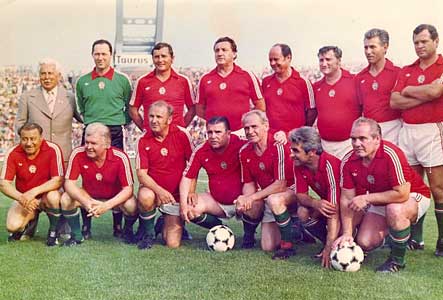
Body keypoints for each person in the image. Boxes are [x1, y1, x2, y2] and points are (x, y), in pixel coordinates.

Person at [334, 117, 431, 272]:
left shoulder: (391, 154)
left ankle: (397, 261)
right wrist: (346, 233)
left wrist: (366, 198)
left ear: (377, 139)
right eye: (353, 139)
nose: (356, 144)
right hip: (381, 199)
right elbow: (346, 198)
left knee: (395, 209)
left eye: (362, 139)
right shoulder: (348, 161)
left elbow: (402, 194)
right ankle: (398, 232)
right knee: (365, 242)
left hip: (414, 195)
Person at [390, 24, 443, 255]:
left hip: (432, 131)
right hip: (407, 130)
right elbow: (394, 102)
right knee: (412, 187)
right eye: (416, 42)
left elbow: (435, 93)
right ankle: (417, 239)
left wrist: (410, 90)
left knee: (438, 188)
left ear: (436, 41)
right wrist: (425, 92)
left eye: (424, 41)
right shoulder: (407, 69)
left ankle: (442, 240)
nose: (419, 46)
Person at [15, 58, 82, 237]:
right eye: (43, 73)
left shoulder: (70, 97)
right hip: (36, 156)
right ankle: (28, 227)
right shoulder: (27, 97)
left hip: (63, 155)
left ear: (59, 76)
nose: (46, 77)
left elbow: (84, 119)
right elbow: (19, 125)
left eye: (50, 73)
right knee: (34, 191)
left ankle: (63, 229)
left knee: (61, 194)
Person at [75, 39, 132, 237]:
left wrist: (115, 122)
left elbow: (128, 108)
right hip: (91, 131)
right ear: (92, 55)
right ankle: (86, 225)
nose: (100, 57)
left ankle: (117, 225)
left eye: (104, 54)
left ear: (111, 55)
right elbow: (82, 108)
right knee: (88, 176)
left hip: (114, 131)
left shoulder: (122, 80)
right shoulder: (82, 81)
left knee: (116, 178)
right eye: (96, 54)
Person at [61, 123, 137, 246]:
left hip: (113, 198)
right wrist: (86, 202)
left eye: (93, 143)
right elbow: (69, 183)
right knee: (66, 198)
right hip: (89, 196)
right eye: (87, 142)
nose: (88, 147)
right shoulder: (78, 153)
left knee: (131, 204)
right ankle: (77, 234)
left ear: (107, 144)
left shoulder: (120, 157)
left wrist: (106, 206)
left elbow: (128, 189)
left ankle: (126, 231)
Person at [235, 110, 295, 257]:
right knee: (267, 246)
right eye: (246, 128)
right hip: (269, 195)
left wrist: (252, 197)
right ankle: (248, 236)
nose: (250, 131)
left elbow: (281, 184)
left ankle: (288, 246)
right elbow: (249, 183)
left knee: (273, 199)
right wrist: (245, 201)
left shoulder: (278, 146)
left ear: (266, 126)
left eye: (254, 127)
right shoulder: (244, 151)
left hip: (290, 191)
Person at [135, 101, 193, 249]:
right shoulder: (143, 140)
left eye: (159, 117)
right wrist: (159, 191)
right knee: (145, 196)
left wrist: (189, 192)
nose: (154, 120)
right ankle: (148, 234)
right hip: (155, 193)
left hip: (175, 196)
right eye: (151, 116)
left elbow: (193, 166)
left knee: (172, 244)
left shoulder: (181, 135)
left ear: (169, 119)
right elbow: (141, 174)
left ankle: (162, 222)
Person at [179, 116, 246, 242]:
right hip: (217, 202)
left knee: (255, 204)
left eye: (218, 132)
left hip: (243, 201)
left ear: (228, 133)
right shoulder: (201, 150)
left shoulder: (242, 144)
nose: (213, 136)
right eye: (210, 132)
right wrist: (183, 204)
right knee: (189, 208)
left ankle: (249, 236)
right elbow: (187, 177)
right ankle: (221, 229)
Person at [0, 123, 64, 246]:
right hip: (25, 199)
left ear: (41, 138)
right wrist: (21, 198)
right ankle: (30, 223)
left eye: (33, 138)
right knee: (12, 226)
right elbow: (3, 183)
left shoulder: (52, 149)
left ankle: (53, 231)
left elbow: (58, 180)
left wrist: (34, 192)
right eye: (25, 139)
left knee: (53, 196)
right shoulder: (13, 152)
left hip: (46, 196)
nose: (29, 143)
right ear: (20, 139)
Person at [288, 126, 341, 268]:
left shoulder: (330, 165)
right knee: (303, 212)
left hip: (347, 210)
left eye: (295, 151)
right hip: (331, 206)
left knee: (361, 241)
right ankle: (326, 244)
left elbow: (333, 210)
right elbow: (300, 195)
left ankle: (334, 245)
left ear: (311, 152)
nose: (291, 155)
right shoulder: (299, 164)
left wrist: (331, 246)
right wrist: (315, 203)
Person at [196, 36, 265, 134]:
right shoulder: (205, 78)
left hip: (241, 132)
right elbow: (199, 109)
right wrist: (215, 126)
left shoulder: (247, 75)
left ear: (234, 54)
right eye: (217, 50)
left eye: (224, 50)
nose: (220, 53)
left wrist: (248, 125)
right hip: (215, 134)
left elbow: (260, 105)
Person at [129, 42, 195, 130]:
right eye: (156, 57)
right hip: (151, 137)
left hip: (176, 136)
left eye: (164, 56)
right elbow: (133, 109)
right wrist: (145, 128)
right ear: (152, 59)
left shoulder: (183, 81)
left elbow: (193, 108)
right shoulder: (142, 81)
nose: (160, 60)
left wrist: (181, 127)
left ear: (172, 58)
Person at [313, 46, 361, 159]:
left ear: (339, 61)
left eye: (328, 59)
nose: (324, 64)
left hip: (349, 144)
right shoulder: (316, 86)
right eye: (321, 60)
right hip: (325, 145)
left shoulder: (354, 81)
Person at [355, 29, 402, 144]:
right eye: (366, 47)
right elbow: (359, 109)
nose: (368, 51)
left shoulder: (397, 73)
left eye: (372, 47)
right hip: (370, 131)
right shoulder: (359, 77)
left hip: (394, 130)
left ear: (385, 47)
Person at [262, 44, 316, 133]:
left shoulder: (302, 82)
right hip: (271, 137)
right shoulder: (266, 82)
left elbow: (312, 111)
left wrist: (300, 131)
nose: (272, 63)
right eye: (270, 60)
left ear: (288, 58)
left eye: (276, 59)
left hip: (294, 138)